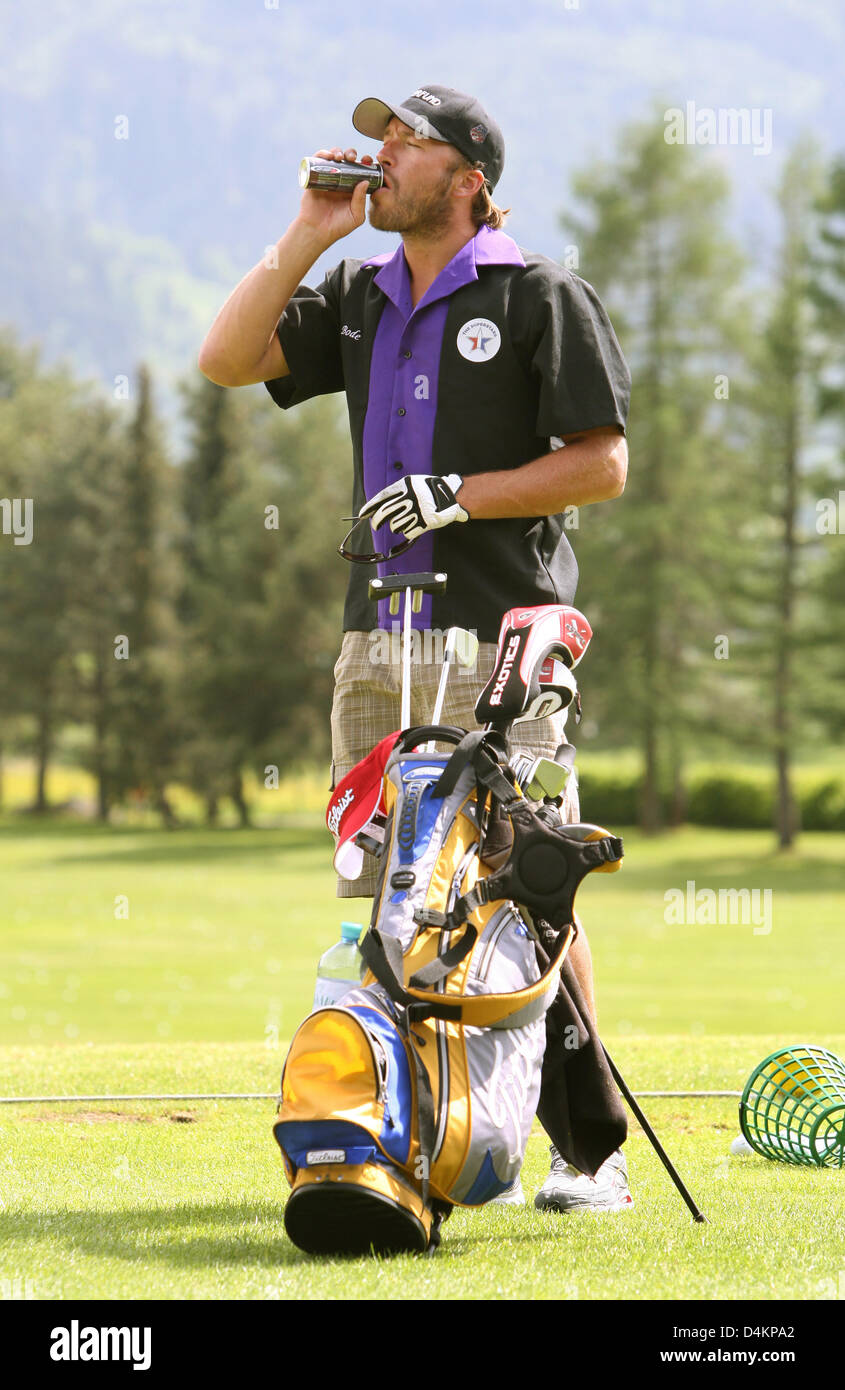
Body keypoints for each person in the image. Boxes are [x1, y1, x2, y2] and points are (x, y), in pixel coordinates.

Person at [199, 85, 632, 1214]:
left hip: (501, 636)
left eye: (409, 140)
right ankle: (423, 1124)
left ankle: (592, 1150)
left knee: (521, 883)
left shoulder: (538, 293)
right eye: (379, 136)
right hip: (374, 642)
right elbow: (225, 359)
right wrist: (309, 230)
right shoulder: (357, 292)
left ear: (468, 176)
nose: (381, 153)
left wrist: (457, 496)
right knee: (390, 889)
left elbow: (599, 464)